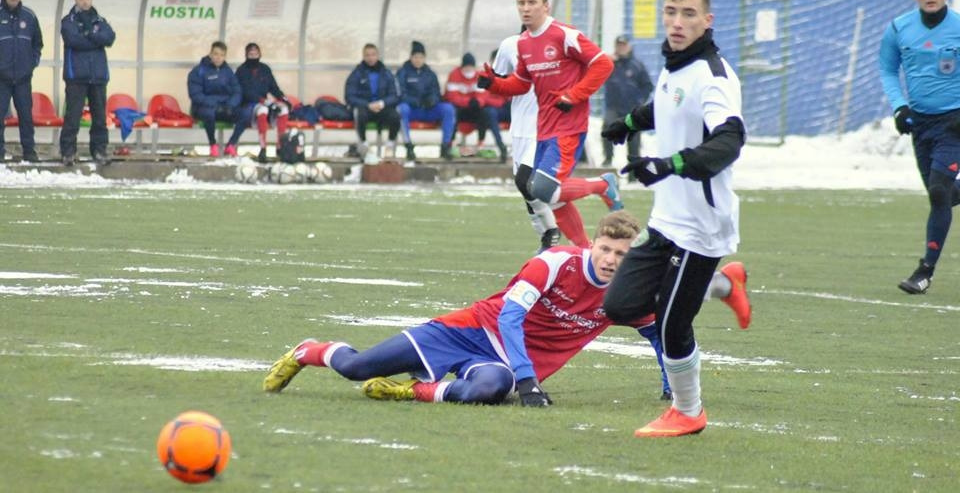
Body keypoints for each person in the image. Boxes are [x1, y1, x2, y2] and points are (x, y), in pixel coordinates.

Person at [263, 211, 751, 406]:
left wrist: (670, 384)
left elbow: (660, 332)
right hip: (465, 331)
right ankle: (309, 350)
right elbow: (510, 317)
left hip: (498, 365)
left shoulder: (623, 296)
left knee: (489, 391)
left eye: (622, 256)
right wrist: (529, 379)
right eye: (605, 249)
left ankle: (411, 391)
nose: (610, 260)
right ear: (593, 245)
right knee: (356, 367)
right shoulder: (553, 263)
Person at [601, 0, 747, 438]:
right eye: (671, 11)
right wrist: (627, 123)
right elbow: (666, 106)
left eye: (688, 13)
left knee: (671, 324)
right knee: (620, 304)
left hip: (702, 225)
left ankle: (688, 411)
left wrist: (670, 164)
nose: (678, 21)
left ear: (708, 19)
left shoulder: (715, 77)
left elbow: (729, 140)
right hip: (666, 218)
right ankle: (722, 285)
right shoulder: (673, 65)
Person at [478, 0, 622, 249]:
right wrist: (494, 84)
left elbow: (603, 64)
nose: (526, 8)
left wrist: (574, 95)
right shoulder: (523, 43)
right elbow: (522, 83)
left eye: (532, 2)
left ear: (546, 6)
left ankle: (602, 185)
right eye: (521, 3)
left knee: (542, 189)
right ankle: (583, 250)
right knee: (550, 196)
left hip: (568, 126)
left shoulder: (565, 35)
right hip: (544, 128)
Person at [879, 0, 960, 295]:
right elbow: (887, 69)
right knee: (942, 194)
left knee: (939, 192)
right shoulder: (899, 28)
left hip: (954, 124)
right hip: (920, 125)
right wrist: (900, 105)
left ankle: (924, 271)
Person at [492, 27, 560, 252]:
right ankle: (546, 243)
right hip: (519, 129)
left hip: (544, 128)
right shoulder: (509, 45)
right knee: (526, 190)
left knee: (526, 181)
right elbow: (499, 78)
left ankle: (551, 231)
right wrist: (491, 82)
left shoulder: (557, 46)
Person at [59, 0, 115, 166]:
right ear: (76, 0)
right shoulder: (68, 21)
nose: (84, 1)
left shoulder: (100, 20)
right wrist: (96, 39)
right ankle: (68, 152)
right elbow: (73, 41)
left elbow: (109, 38)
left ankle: (99, 151)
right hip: (76, 76)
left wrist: (89, 34)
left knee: (99, 118)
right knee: (72, 117)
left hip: (98, 76)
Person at [0, 0, 42, 163]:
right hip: (1, 78)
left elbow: (37, 43)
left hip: (23, 78)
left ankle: (29, 151)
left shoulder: (29, 16)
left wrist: (32, 64)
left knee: (25, 116)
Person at [231, 42, 290, 162]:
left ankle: (280, 146)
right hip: (248, 106)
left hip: (265, 103)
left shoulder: (265, 69)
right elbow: (244, 92)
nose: (253, 57)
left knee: (283, 109)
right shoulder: (241, 70)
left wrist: (283, 99)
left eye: (256, 54)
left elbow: (274, 88)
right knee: (262, 109)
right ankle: (263, 148)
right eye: (250, 54)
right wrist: (264, 101)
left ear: (260, 54)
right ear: (246, 55)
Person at [396, 40, 455, 161]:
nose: (418, 60)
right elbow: (400, 93)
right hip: (412, 110)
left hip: (428, 110)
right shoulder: (403, 72)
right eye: (415, 57)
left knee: (448, 109)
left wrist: (432, 100)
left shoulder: (430, 74)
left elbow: (436, 92)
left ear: (424, 58)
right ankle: (408, 146)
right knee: (402, 109)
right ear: (411, 57)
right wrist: (415, 102)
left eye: (421, 57)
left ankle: (445, 146)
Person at [602, 35, 653, 169]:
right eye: (619, 45)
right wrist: (605, 61)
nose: (621, 48)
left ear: (629, 47)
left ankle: (633, 168)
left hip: (631, 108)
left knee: (633, 138)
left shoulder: (637, 65)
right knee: (608, 130)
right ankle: (607, 159)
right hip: (613, 106)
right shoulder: (609, 63)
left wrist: (640, 101)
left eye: (624, 45)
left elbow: (647, 86)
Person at [445, 52, 507, 162]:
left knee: (485, 112)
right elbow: (452, 96)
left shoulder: (479, 75)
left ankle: (482, 143)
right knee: (452, 112)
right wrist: (468, 101)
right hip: (460, 109)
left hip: (475, 109)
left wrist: (478, 101)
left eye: (471, 67)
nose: (469, 69)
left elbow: (483, 95)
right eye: (466, 67)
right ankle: (450, 145)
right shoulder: (454, 75)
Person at [344, 43, 400, 159]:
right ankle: (364, 145)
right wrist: (367, 105)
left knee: (395, 116)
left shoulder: (386, 73)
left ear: (377, 56)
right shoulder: (357, 74)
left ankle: (389, 145)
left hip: (382, 107)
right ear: (363, 56)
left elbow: (395, 95)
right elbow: (349, 96)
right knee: (359, 114)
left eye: (373, 55)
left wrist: (382, 103)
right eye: (367, 55)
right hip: (365, 108)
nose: (370, 58)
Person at [187, 41, 241, 158]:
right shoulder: (199, 71)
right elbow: (195, 94)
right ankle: (213, 145)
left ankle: (231, 144)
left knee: (245, 114)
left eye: (222, 55)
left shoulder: (228, 71)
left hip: (225, 107)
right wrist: (214, 104)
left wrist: (231, 105)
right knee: (209, 114)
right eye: (216, 54)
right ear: (210, 54)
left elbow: (237, 91)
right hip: (203, 108)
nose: (218, 58)